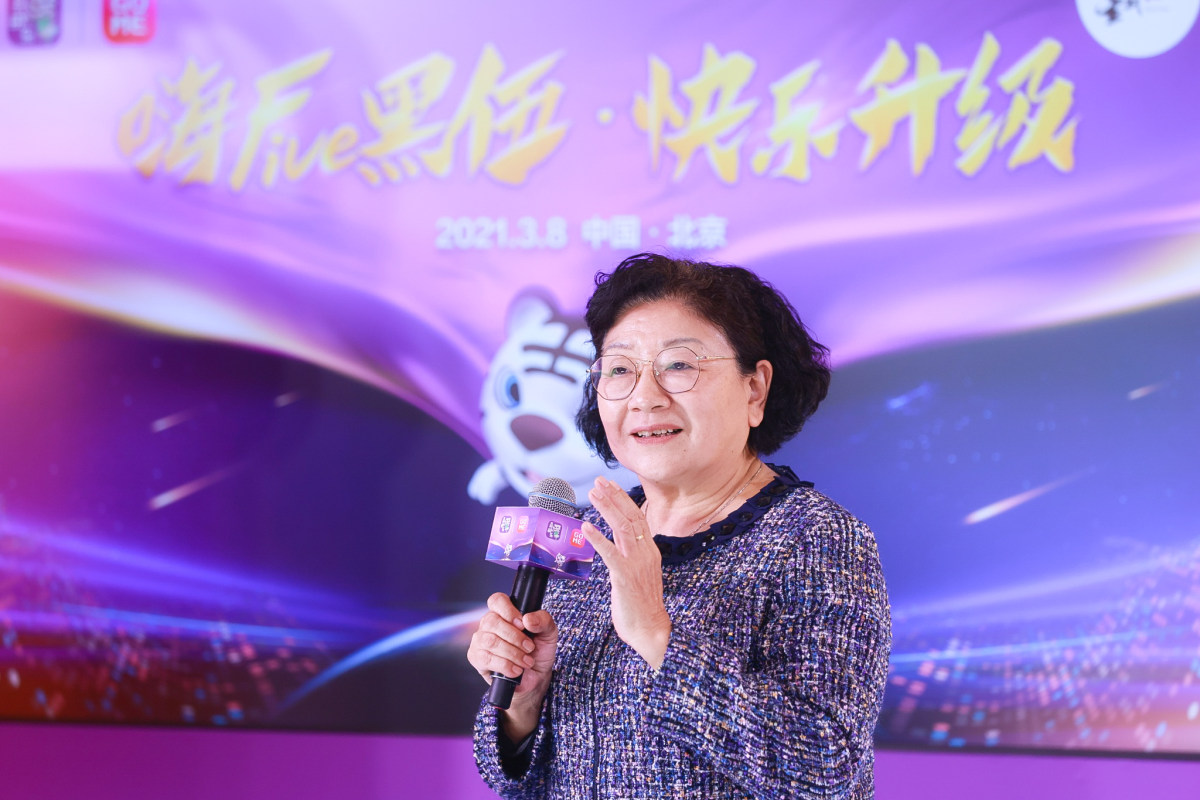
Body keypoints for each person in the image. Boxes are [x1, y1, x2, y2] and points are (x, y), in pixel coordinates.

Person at [467, 252, 891, 799]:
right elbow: (521, 777)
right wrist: (524, 702)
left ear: (755, 389)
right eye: (620, 369)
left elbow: (825, 770)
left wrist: (658, 636)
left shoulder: (815, 538)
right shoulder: (587, 534)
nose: (645, 397)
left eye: (678, 365)